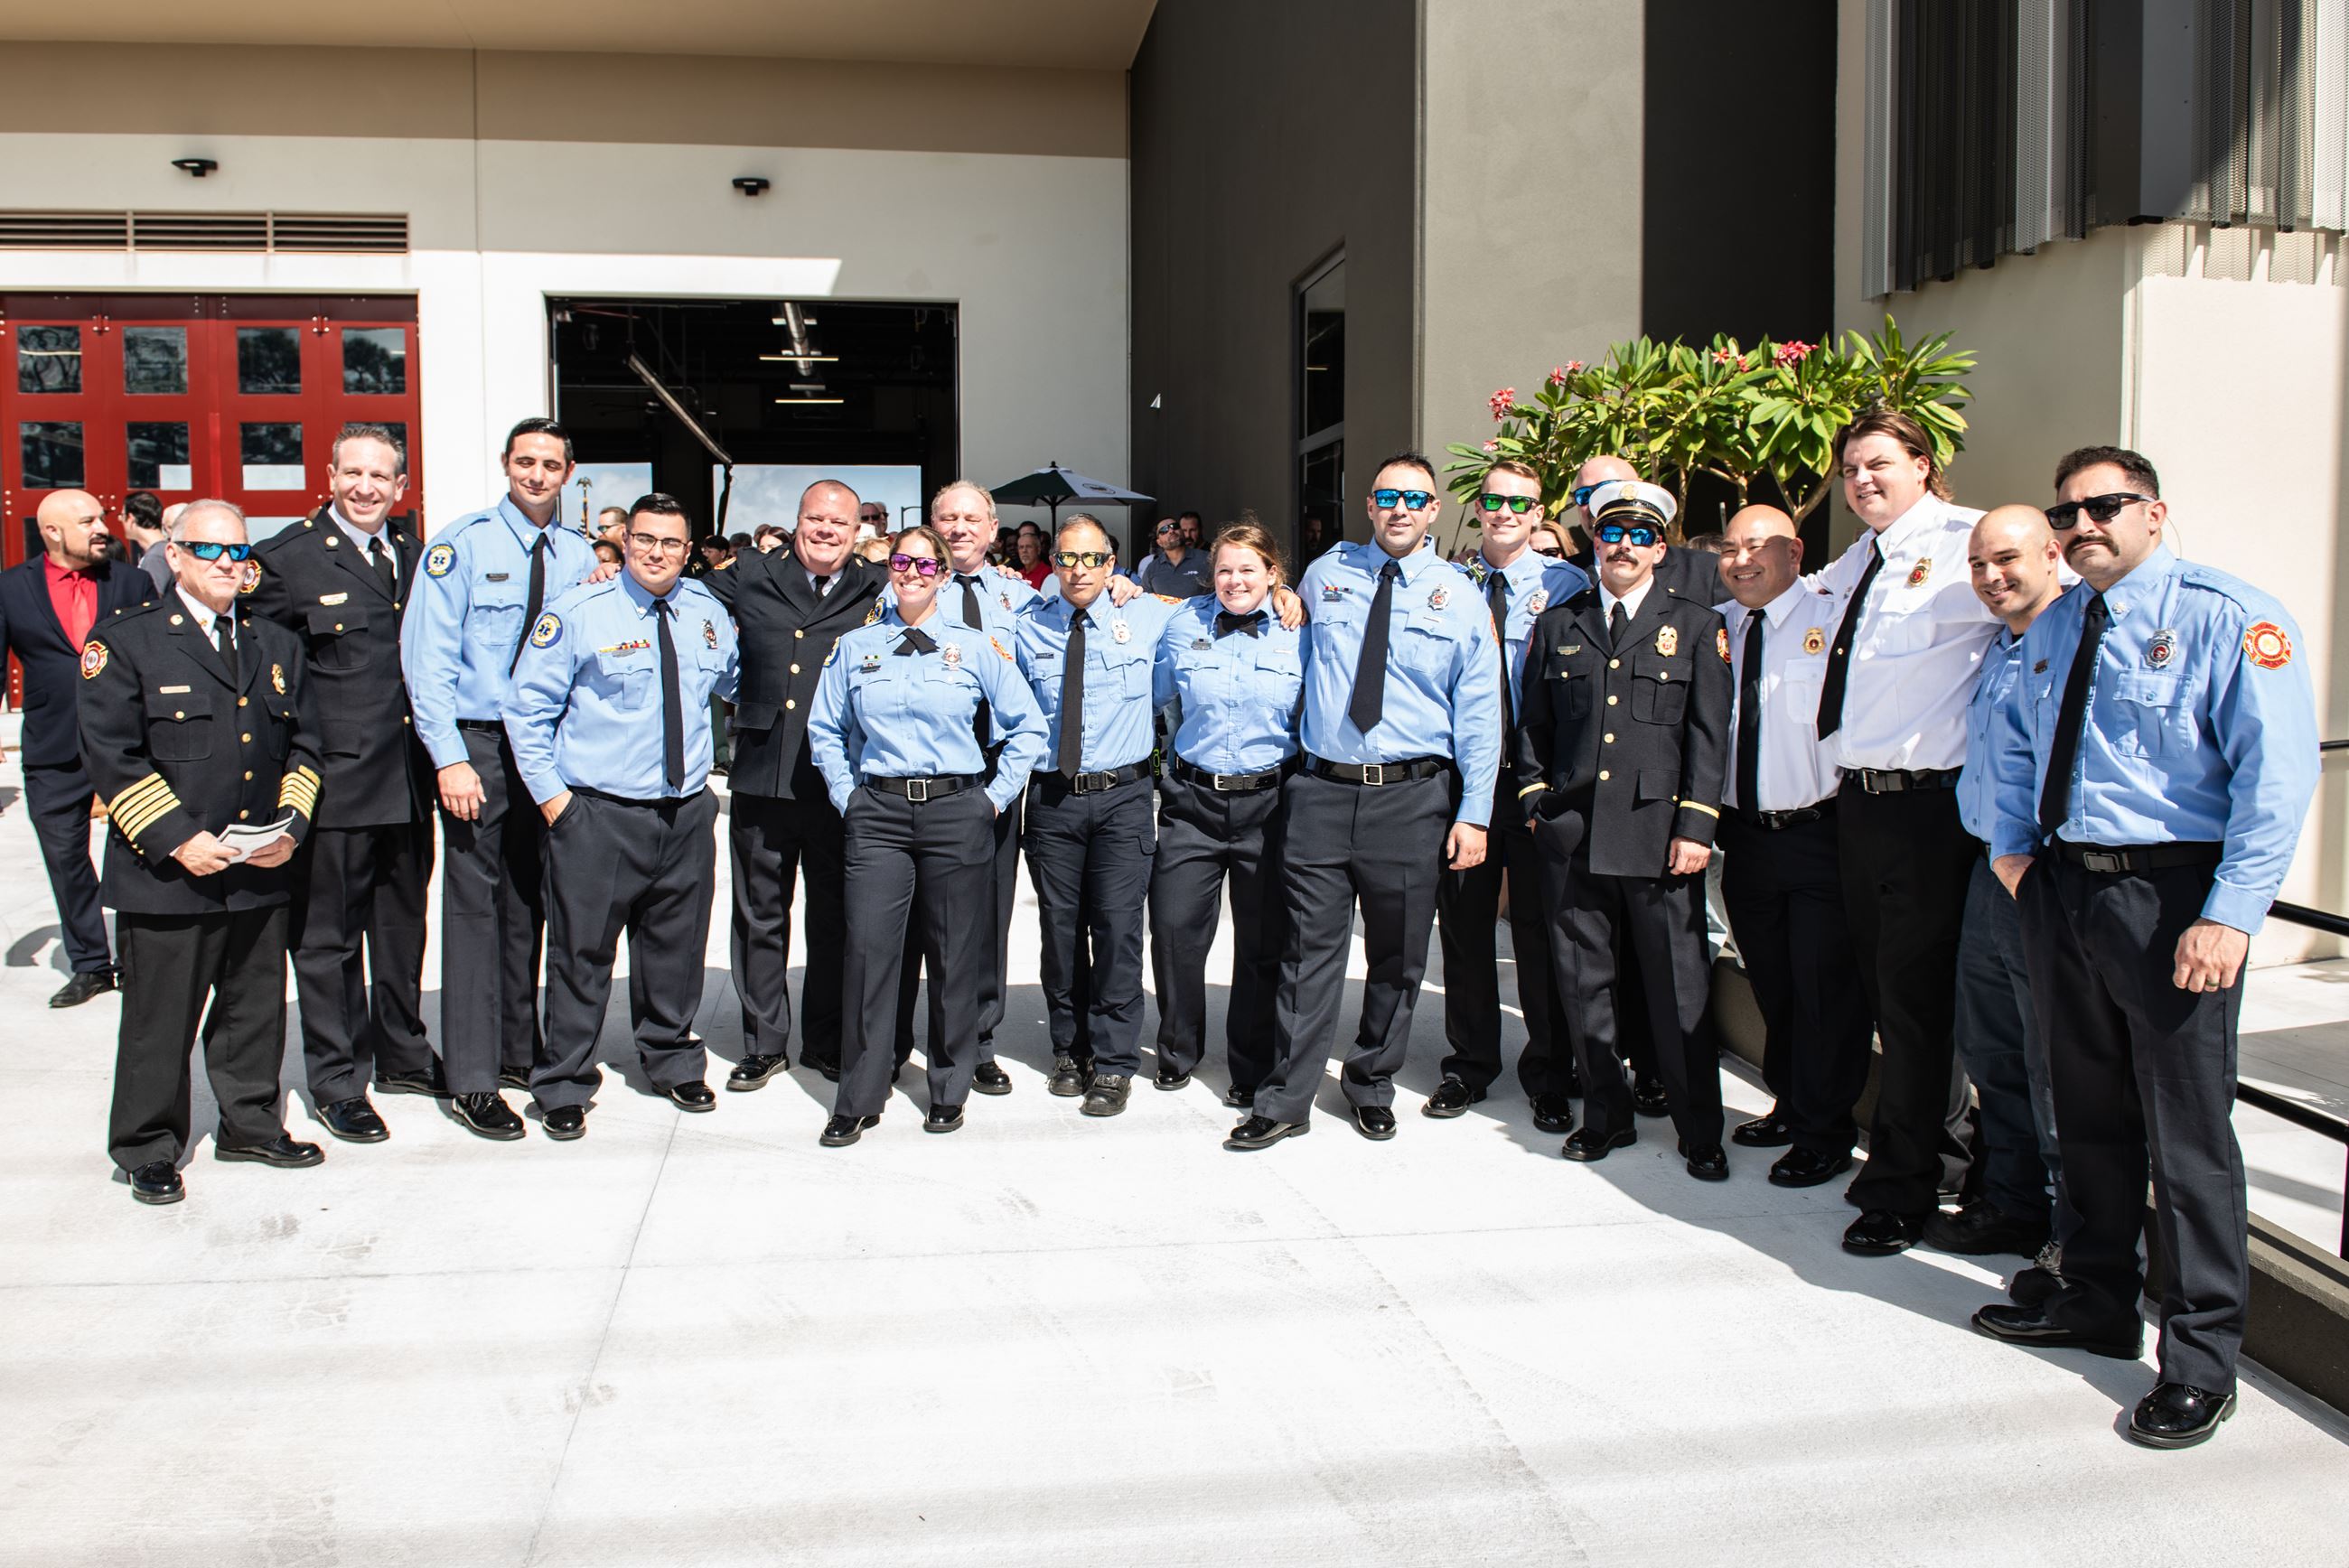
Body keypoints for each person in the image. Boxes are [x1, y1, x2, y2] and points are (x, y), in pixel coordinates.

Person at [1974, 447, 2317, 1451]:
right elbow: (2014, 747)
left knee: (2188, 1136)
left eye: (2103, 505)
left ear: (2153, 513)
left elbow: (2273, 776)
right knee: (2083, 1109)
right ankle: (2093, 1295)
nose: (2081, 523)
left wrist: (2231, 912)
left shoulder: (2225, 617)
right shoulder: (2057, 620)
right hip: (2062, 886)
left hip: (2172, 897)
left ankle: (2200, 1359)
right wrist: (2011, 854)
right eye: (2066, 509)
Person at [1229, 452, 1502, 1151]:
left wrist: (1474, 813)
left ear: (1435, 509)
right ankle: (1286, 1096)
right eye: (1388, 497)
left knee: (1399, 954)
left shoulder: (1460, 595)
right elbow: (1266, 610)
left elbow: (1479, 712)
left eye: (1415, 497)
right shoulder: (1326, 575)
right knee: (1306, 953)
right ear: (1370, 505)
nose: (1401, 509)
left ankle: (1371, 1081)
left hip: (1412, 800)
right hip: (1321, 792)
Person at [80, 499, 323, 1204]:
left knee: (255, 1009)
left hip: (257, 865)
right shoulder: (128, 642)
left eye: (238, 551)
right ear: (175, 555)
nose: (227, 563)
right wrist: (177, 839)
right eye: (210, 549)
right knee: (161, 1018)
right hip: (169, 873)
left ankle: (250, 1122)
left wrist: (289, 830)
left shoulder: (275, 644)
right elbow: (113, 755)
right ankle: (147, 1145)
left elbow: (305, 744)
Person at [1811, 409, 1993, 1256]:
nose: (1862, 482)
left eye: (1879, 464)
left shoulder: (1965, 541)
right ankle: (1946, 1158)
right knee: (1894, 998)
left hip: (1932, 809)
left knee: (1916, 1006)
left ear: (1925, 465)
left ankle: (1901, 1189)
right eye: (1851, 469)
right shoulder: (1863, 557)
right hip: (1862, 803)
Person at [1512, 481, 1732, 1177]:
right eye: (1612, 534)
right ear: (1595, 543)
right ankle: (1607, 1117)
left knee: (1678, 989)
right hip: (1574, 837)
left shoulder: (1695, 624)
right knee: (1585, 988)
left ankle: (1700, 1128)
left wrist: (1695, 825)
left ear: (1660, 548)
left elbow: (1708, 736)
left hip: (1658, 837)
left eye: (1640, 536)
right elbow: (1534, 728)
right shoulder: (1560, 623)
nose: (1624, 547)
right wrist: (1537, 803)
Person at [505, 494, 740, 1138]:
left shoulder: (706, 613)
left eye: (670, 543)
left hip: (685, 810)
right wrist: (556, 801)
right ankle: (564, 1080)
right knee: (581, 954)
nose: (656, 553)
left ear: (688, 551)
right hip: (598, 813)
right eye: (644, 539)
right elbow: (525, 712)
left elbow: (736, 684)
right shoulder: (580, 611)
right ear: (624, 540)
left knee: (677, 948)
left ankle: (670, 1057)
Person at [808, 526, 1047, 1145]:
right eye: (900, 561)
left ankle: (949, 1085)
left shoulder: (975, 648)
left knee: (953, 955)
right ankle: (859, 1094)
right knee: (869, 955)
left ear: (943, 573)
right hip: (879, 815)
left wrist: (993, 800)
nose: (911, 571)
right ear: (889, 568)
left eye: (924, 562)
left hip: (955, 813)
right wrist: (846, 797)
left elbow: (1028, 729)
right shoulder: (855, 646)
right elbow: (824, 729)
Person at [401, 415, 599, 1141]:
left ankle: (521, 1050)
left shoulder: (580, 557)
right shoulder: (461, 546)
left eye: (551, 464)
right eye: (526, 462)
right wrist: (448, 757)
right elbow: (427, 663)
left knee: (532, 901)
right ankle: (474, 1077)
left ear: (568, 473)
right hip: (480, 746)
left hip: (547, 748)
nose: (537, 475)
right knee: (474, 910)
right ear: (506, 464)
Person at [246, 425, 442, 1144]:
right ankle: (337, 1078)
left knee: (402, 928)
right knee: (327, 941)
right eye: (352, 472)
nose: (365, 486)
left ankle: (403, 1054)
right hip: (333, 785)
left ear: (400, 488)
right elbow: (266, 686)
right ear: (329, 475)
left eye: (379, 476)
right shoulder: (285, 563)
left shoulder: (418, 558)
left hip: (408, 780)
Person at [706, 479, 887, 1089]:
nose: (827, 531)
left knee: (835, 916)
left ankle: (827, 1039)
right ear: (798, 520)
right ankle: (764, 1042)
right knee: (761, 914)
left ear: (856, 528)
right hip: (764, 771)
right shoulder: (751, 572)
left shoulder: (873, 582)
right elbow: (676, 592)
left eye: (840, 522)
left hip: (837, 780)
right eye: (816, 519)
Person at [1428, 461, 1591, 1129]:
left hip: (1535, 783)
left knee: (1539, 931)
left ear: (1538, 511)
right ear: (1479, 506)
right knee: (1465, 930)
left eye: (1520, 503)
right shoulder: (1448, 584)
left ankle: (1550, 1072)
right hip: (1465, 782)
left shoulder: (1567, 586)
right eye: (1494, 501)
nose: (1505, 513)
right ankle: (1469, 1065)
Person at [1714, 504, 1873, 1185]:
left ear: (1795, 551)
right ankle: (1789, 1101)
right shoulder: (1718, 627)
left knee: (1823, 992)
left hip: (1816, 834)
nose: (1743, 558)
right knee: (1772, 984)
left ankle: (1825, 1130)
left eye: (1758, 545)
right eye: (1731, 547)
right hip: (1744, 838)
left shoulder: (1831, 619)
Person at [1012, 516, 1181, 1115]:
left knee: (1116, 931)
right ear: (1053, 565)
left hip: (1123, 799)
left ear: (1113, 563)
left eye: (1092, 558)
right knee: (1059, 933)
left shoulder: (1150, 614)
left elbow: (1223, 604)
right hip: (1053, 798)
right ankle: (1069, 1048)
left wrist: (1287, 594)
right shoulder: (1026, 625)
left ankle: (1113, 1062)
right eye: (1067, 559)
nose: (1079, 570)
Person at [1938, 506, 2070, 1260]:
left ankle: (2068, 1234)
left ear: (2052, 554)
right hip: (1990, 866)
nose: (1992, 578)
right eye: (1980, 565)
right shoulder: (1999, 648)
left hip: (2046, 877)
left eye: (2008, 560)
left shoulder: (2078, 642)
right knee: (1993, 1051)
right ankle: (2014, 1205)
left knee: (2052, 1061)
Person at [1150, 522, 1307, 1102]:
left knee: (1262, 941)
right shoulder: (1181, 624)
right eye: (1223, 569)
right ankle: (1178, 1049)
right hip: (1191, 802)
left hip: (1269, 803)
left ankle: (1250, 1062)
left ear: (1273, 575)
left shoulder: (1301, 631)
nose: (1234, 580)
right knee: (1173, 930)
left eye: (1248, 569)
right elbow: (1153, 692)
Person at [0, 490, 156, 1006]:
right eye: (87, 520)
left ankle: (142, 962)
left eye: (101, 517)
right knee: (65, 858)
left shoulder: (132, 582)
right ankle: (91, 964)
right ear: (52, 532)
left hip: (128, 743)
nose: (101, 527)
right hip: (52, 748)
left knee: (140, 853)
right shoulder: (11, 589)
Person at [1565, 455, 1717, 602]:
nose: (1593, 503)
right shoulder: (1558, 577)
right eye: (1584, 495)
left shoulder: (1704, 572)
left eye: (1607, 489)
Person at [1136, 515, 1210, 598]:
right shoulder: (1152, 569)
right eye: (1164, 530)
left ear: (1182, 531)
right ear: (1159, 542)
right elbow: (1146, 600)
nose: (1171, 531)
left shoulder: (1207, 559)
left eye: (1175, 526)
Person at [120, 490, 169, 569]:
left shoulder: (155, 558)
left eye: (122, 515)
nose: (120, 519)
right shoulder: (163, 550)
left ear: (131, 518)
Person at [1013, 522, 1052, 588]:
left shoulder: (1048, 573)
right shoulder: (1017, 574)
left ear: (1038, 550)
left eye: (1029, 546)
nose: (1024, 550)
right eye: (1021, 547)